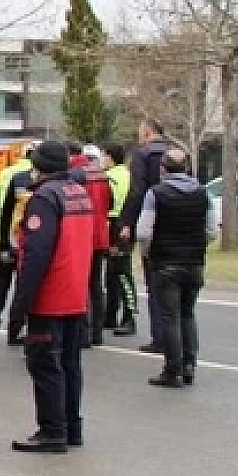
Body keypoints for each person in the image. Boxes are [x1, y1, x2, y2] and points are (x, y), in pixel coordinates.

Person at [10, 140, 96, 453]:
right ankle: (72, 427)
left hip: (51, 295)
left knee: (45, 364)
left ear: (40, 165)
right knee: (70, 364)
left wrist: (20, 307)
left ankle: (52, 431)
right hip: (75, 292)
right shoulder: (78, 193)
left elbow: (36, 254)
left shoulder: (44, 197)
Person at [136, 147, 218, 387]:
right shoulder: (203, 194)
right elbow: (212, 231)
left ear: (163, 169)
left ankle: (173, 369)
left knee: (170, 318)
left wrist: (148, 252)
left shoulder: (156, 194)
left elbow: (143, 231)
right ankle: (190, 364)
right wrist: (194, 243)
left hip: (166, 262)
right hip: (193, 262)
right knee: (187, 314)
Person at [118, 117, 172, 351]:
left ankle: (159, 336)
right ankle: (174, 334)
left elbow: (137, 191)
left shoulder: (142, 155)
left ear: (148, 132)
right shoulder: (176, 152)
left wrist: (128, 222)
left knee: (154, 280)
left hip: (151, 220)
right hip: (176, 220)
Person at [0, 142, 35, 346]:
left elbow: (5, 212)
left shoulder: (10, 174)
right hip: (26, 243)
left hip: (7, 239)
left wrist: (2, 242)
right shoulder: (40, 182)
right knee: (22, 289)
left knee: (0, 286)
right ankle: (15, 331)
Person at [73, 143, 115, 346]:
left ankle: (83, 332)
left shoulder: (77, 176)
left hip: (84, 236)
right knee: (96, 284)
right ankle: (97, 332)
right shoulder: (103, 177)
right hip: (100, 235)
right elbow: (110, 205)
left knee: (81, 284)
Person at [101, 142, 138, 336]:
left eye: (102, 156)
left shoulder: (110, 177)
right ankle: (111, 315)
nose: (100, 160)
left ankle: (128, 317)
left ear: (110, 157)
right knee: (114, 272)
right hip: (123, 223)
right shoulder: (129, 174)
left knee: (122, 273)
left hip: (116, 223)